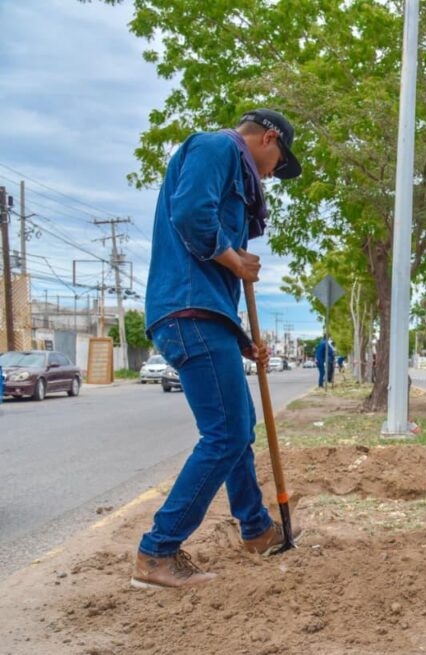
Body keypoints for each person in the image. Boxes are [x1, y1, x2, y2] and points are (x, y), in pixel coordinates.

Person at [132, 109, 304, 589]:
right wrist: (234, 258)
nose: (272, 175)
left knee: (237, 430)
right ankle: (157, 552)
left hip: (206, 316)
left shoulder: (233, 169)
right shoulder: (218, 147)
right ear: (268, 138)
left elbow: (214, 268)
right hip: (189, 313)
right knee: (226, 435)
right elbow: (190, 215)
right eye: (277, 163)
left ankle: (257, 531)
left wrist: (243, 340)